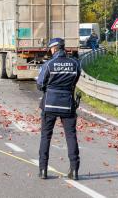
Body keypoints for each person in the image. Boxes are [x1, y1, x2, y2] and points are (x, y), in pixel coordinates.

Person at [36, 38, 81, 180]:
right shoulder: (75, 64)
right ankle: (74, 170)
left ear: (54, 49)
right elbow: (75, 80)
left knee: (46, 136)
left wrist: (50, 88)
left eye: (50, 49)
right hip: (68, 104)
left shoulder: (49, 64)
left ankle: (43, 170)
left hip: (49, 104)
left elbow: (40, 84)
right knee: (71, 136)